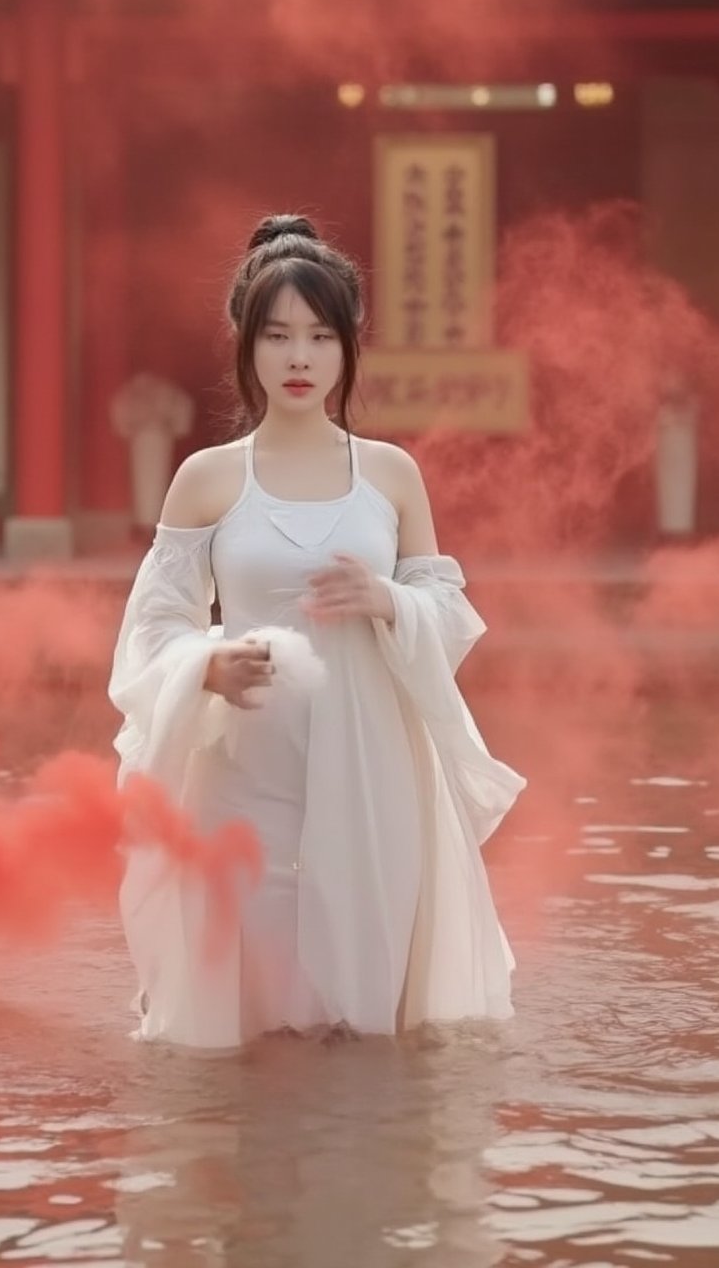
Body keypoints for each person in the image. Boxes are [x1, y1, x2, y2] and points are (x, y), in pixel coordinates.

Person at [109, 215, 525, 1048]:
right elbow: (153, 629)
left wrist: (388, 600)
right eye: (278, 335)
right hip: (245, 767)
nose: (299, 357)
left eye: (319, 336)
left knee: (364, 1016)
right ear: (246, 344)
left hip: (372, 767)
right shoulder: (207, 480)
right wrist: (207, 667)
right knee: (249, 993)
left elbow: (446, 615)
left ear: (347, 348)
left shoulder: (389, 475)